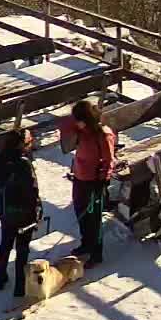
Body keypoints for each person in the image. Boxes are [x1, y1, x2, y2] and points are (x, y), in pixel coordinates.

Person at [61, 99, 118, 268]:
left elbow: (108, 160)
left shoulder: (103, 134)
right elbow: (64, 127)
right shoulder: (81, 130)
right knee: (81, 213)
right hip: (80, 178)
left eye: (79, 120)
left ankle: (96, 253)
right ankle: (85, 243)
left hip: (95, 182)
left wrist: (103, 180)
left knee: (94, 218)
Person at [0, 127, 41, 296]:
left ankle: (0, 279)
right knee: (22, 249)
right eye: (28, 142)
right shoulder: (23, 163)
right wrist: (36, 210)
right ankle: (20, 287)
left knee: (5, 244)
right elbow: (32, 191)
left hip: (4, 211)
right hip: (24, 213)